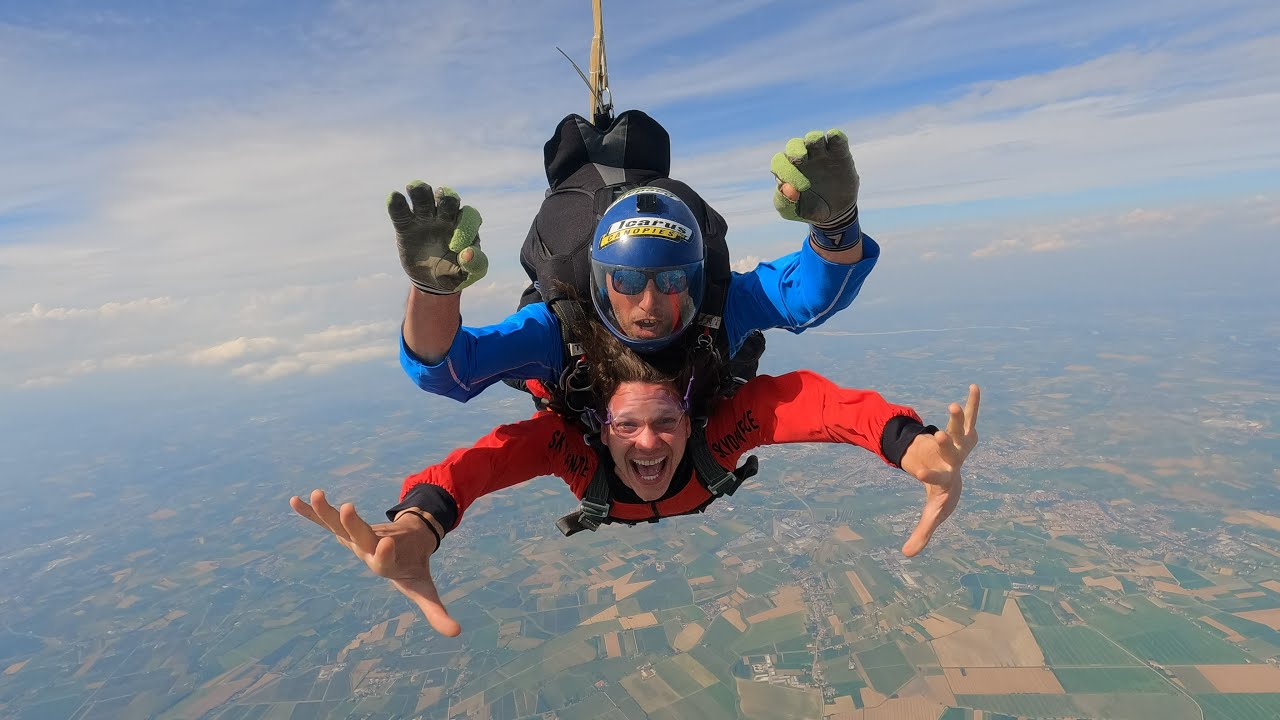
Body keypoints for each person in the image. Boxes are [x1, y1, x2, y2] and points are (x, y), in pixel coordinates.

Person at [290, 322, 981, 637]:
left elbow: (812, 405)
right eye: (627, 427)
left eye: (664, 424)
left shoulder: (718, 430)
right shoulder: (571, 448)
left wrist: (909, 445)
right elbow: (482, 463)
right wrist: (417, 526)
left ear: (690, 419)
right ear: (599, 427)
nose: (649, 444)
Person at [390, 123, 874, 407]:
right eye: (625, 280)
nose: (649, 303)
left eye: (672, 279)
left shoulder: (717, 305)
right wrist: (431, 290)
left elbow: (807, 294)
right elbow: (449, 370)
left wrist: (837, 225)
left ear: (696, 279)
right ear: (600, 281)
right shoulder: (562, 325)